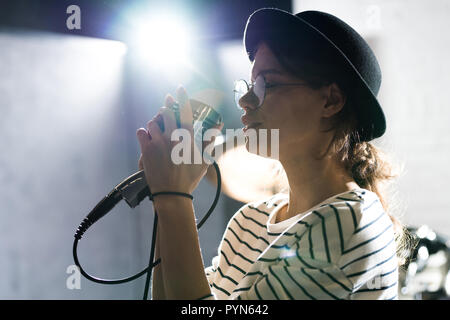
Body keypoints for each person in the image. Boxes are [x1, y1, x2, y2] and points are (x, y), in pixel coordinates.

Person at [136, 8, 410, 300]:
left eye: (266, 84)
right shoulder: (249, 221)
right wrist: (162, 194)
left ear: (331, 101)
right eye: (250, 84)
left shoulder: (350, 222)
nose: (244, 100)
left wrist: (173, 197)